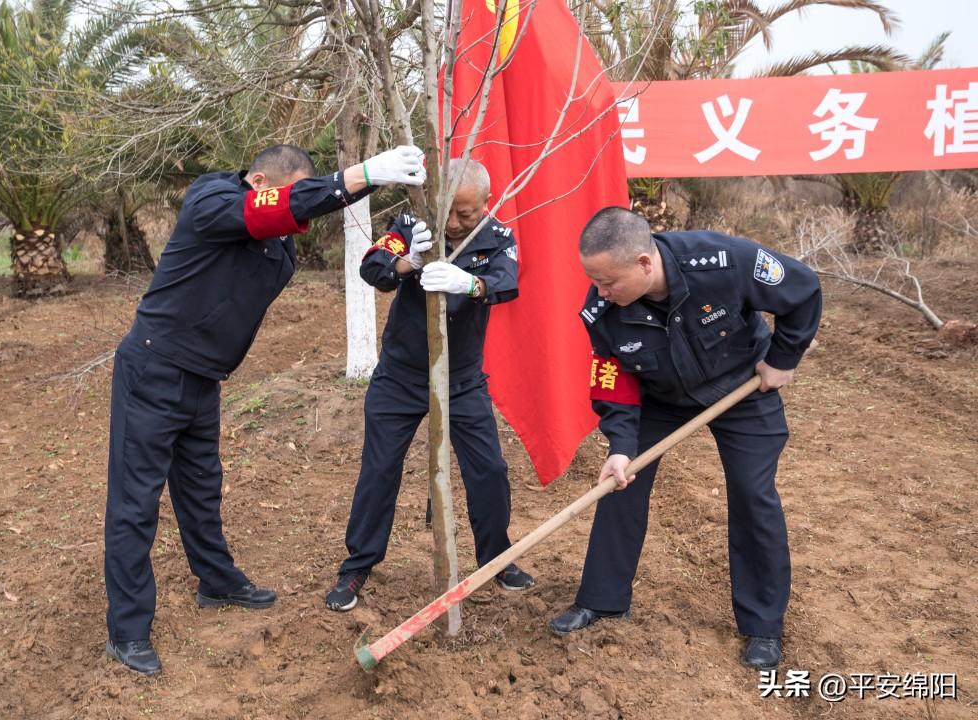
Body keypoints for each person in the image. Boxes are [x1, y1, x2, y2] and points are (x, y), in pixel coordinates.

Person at [104, 144, 426, 674]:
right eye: (288, 192)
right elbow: (274, 210)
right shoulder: (211, 198)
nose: (292, 209)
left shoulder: (280, 250)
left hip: (204, 378)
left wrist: (377, 199)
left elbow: (286, 217)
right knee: (136, 502)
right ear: (258, 181)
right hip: (154, 367)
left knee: (202, 485)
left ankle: (216, 581)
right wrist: (361, 174)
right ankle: (128, 629)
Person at [550, 207, 820, 671]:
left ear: (643, 263)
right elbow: (612, 380)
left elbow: (803, 290)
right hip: (659, 395)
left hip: (741, 389)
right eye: (594, 281)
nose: (600, 291)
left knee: (753, 494)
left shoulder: (724, 261)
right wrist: (619, 446)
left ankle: (762, 626)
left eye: (609, 281)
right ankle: (603, 599)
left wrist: (783, 357)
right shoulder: (602, 311)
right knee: (621, 482)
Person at [325, 158, 535, 612]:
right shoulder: (412, 224)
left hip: (461, 380)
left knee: (490, 470)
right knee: (379, 469)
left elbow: (507, 282)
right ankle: (358, 563)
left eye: (467, 214)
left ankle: (496, 558)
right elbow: (372, 268)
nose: (456, 223)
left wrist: (471, 283)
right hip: (400, 377)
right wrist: (408, 262)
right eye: (450, 213)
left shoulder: (496, 237)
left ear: (485, 203)